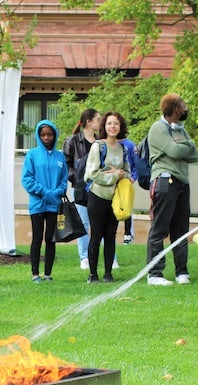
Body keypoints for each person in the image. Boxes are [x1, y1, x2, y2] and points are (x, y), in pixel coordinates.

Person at [146, 94, 198, 286]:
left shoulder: (180, 130)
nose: (186, 109)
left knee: (181, 229)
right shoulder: (158, 128)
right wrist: (185, 147)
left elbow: (195, 155)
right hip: (164, 181)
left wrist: (184, 145)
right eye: (183, 105)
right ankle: (154, 273)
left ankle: (181, 272)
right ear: (176, 108)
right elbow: (175, 151)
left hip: (182, 183)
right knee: (159, 228)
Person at [85, 112, 132, 283]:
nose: (113, 127)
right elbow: (92, 173)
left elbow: (127, 172)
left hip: (115, 199)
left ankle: (108, 273)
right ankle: (93, 274)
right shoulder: (98, 146)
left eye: (116, 124)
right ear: (104, 126)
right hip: (97, 196)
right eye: (109, 123)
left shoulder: (123, 149)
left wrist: (120, 174)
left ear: (121, 127)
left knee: (111, 236)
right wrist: (113, 176)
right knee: (96, 236)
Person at [22, 120, 68, 283]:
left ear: (54, 135)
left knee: (50, 238)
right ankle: (35, 274)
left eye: (49, 134)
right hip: (37, 204)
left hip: (53, 205)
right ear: (38, 136)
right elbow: (27, 179)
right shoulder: (32, 155)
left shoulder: (60, 156)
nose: (46, 137)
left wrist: (54, 193)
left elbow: (64, 181)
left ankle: (48, 273)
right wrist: (44, 192)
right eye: (43, 135)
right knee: (37, 237)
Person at [62, 108, 101, 270]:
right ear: (88, 122)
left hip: (99, 187)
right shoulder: (72, 141)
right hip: (80, 187)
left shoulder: (101, 141)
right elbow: (66, 165)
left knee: (100, 222)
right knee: (84, 223)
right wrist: (78, 178)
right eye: (98, 119)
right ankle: (84, 257)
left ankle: (105, 256)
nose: (101, 122)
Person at [120, 136, 138, 244]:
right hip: (112, 181)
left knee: (127, 207)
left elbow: (136, 163)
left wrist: (133, 178)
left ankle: (128, 235)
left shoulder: (130, 145)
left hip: (126, 182)